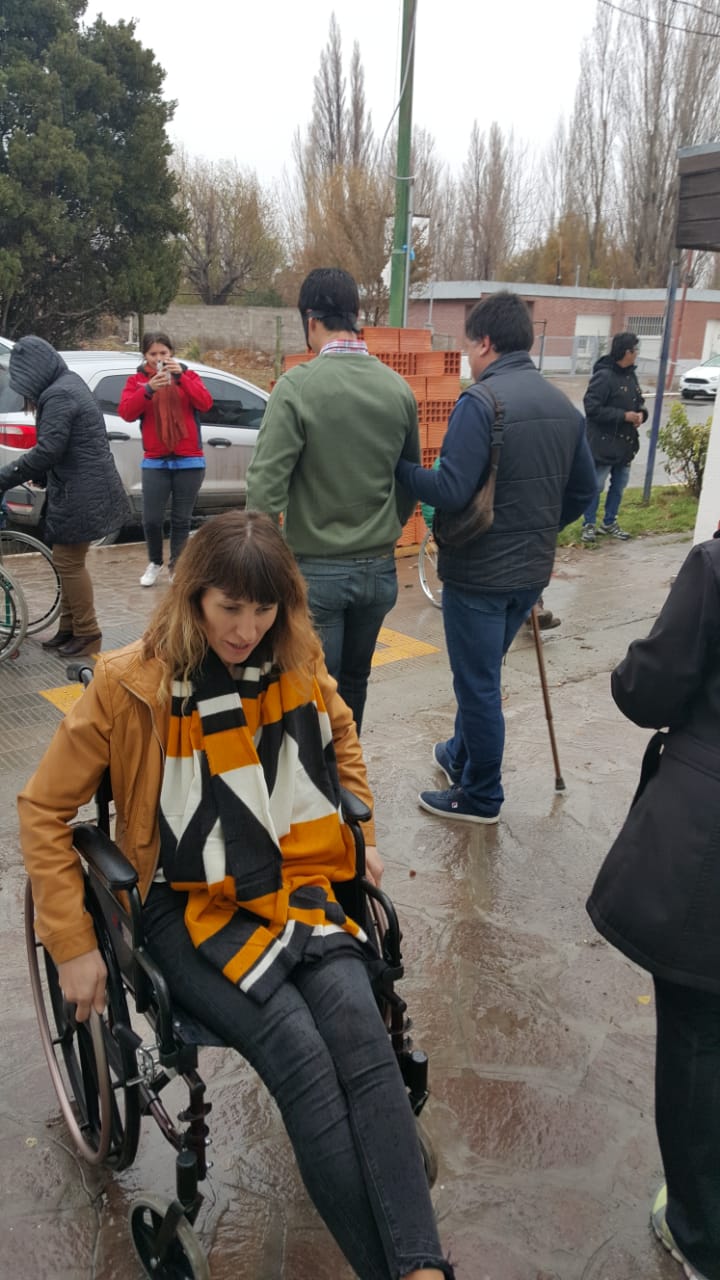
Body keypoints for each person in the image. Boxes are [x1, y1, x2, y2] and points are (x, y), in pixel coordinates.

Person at [18, 510, 454, 1280]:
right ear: (194, 597)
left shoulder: (296, 658)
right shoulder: (128, 684)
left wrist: (363, 832)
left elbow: (341, 735)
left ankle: (420, 1271)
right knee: (301, 1055)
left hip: (292, 883)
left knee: (362, 1036)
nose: (247, 629)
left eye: (263, 609)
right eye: (230, 608)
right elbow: (43, 810)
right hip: (183, 905)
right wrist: (73, 943)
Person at [395, 291, 596, 824]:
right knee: (482, 673)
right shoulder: (563, 406)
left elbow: (450, 489)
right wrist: (538, 528)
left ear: (484, 342)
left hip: (479, 575)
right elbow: (585, 493)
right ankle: (458, 754)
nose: (468, 357)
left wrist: (403, 471)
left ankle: (481, 795)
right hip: (530, 574)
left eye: (468, 346)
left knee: (477, 685)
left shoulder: (481, 403)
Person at [587, 533, 720, 1280]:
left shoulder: (715, 568)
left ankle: (701, 1232)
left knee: (698, 1037)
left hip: (707, 848)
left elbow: (648, 689)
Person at [246, 267, 420, 735]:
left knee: (311, 685)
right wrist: (386, 527)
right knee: (355, 681)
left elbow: (264, 490)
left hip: (316, 572)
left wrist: (268, 564)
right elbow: (409, 479)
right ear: (356, 315)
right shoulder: (398, 389)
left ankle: (316, 771)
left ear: (310, 320)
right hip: (379, 571)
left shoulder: (297, 387)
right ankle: (347, 766)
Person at [0, 335, 129, 657]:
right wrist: (44, 475)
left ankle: (88, 632)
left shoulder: (58, 393)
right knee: (67, 560)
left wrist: (5, 477)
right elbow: (67, 445)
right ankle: (69, 628)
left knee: (69, 562)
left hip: (81, 492)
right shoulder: (68, 383)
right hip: (82, 487)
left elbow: (48, 450)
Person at [118, 331, 213, 586]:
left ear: (171, 353)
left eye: (163, 353)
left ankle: (176, 567)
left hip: (189, 460)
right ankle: (155, 562)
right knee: (151, 519)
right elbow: (126, 412)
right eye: (153, 354)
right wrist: (149, 389)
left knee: (181, 520)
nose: (158, 358)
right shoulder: (137, 380)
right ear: (145, 355)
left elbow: (205, 403)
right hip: (155, 460)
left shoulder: (189, 375)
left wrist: (181, 378)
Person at [581, 331, 648, 543]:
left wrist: (641, 415)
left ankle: (609, 522)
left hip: (625, 444)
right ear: (627, 352)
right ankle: (588, 524)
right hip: (604, 444)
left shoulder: (631, 375)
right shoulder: (604, 376)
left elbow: (639, 402)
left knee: (619, 486)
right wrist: (623, 416)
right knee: (596, 486)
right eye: (635, 350)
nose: (637, 354)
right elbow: (591, 408)